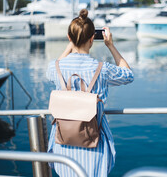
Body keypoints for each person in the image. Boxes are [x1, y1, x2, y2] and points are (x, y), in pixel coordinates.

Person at [47, 9, 134, 177]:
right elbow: (128, 75)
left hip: (63, 144)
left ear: (69, 38)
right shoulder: (102, 69)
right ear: (92, 39)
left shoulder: (55, 67)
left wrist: (70, 45)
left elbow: (54, 67)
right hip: (94, 146)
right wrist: (111, 45)